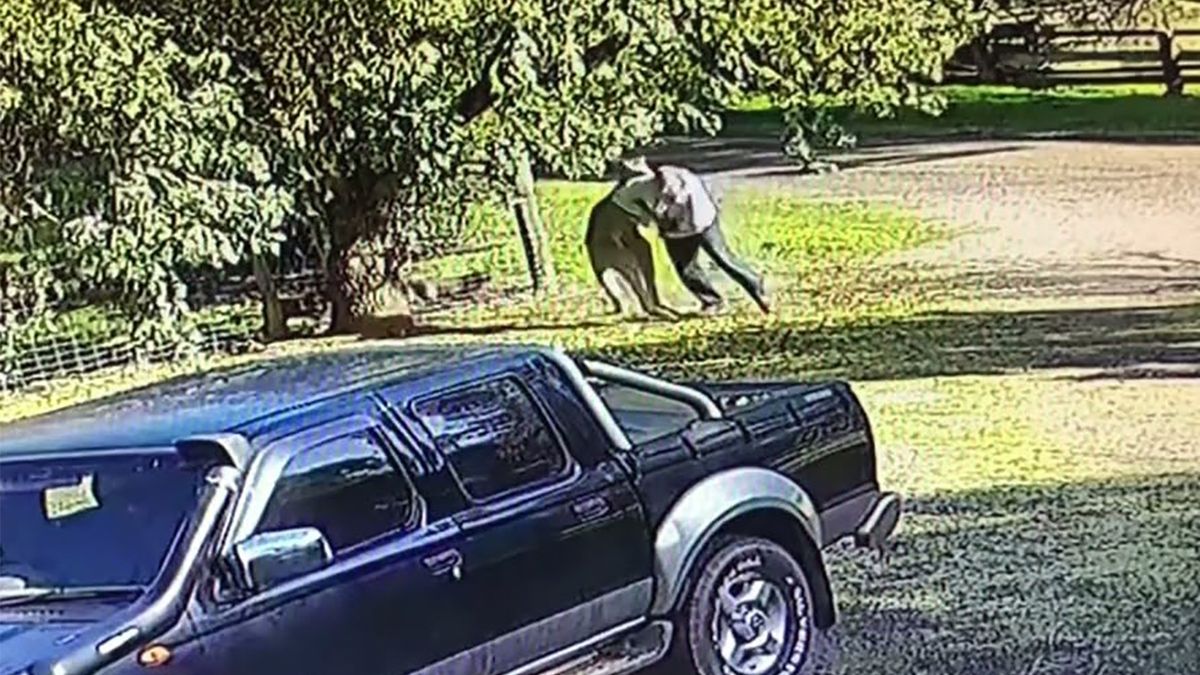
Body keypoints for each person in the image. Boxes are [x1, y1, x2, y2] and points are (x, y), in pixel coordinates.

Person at [611, 158, 771, 315]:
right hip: (674, 229)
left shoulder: (678, 178)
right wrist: (651, 216)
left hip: (701, 219)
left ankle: (755, 284)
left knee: (722, 257)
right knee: (686, 268)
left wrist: (670, 216)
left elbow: (687, 204)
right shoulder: (629, 191)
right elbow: (631, 209)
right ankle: (712, 302)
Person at [583, 159, 680, 319]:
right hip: (611, 227)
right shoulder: (641, 187)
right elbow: (651, 220)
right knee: (627, 261)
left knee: (641, 252)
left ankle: (648, 302)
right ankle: (647, 305)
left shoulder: (644, 185)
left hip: (623, 224)